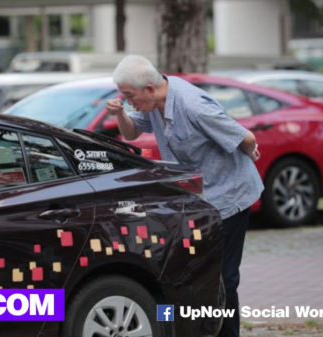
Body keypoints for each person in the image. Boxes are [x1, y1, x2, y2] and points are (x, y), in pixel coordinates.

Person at [106, 55, 264, 337]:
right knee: (195, 272)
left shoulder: (193, 106)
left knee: (224, 276)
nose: (129, 101)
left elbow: (246, 138)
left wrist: (250, 153)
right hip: (201, 200)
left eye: (130, 96)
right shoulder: (154, 102)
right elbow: (131, 134)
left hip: (230, 196)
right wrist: (120, 114)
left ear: (149, 89)